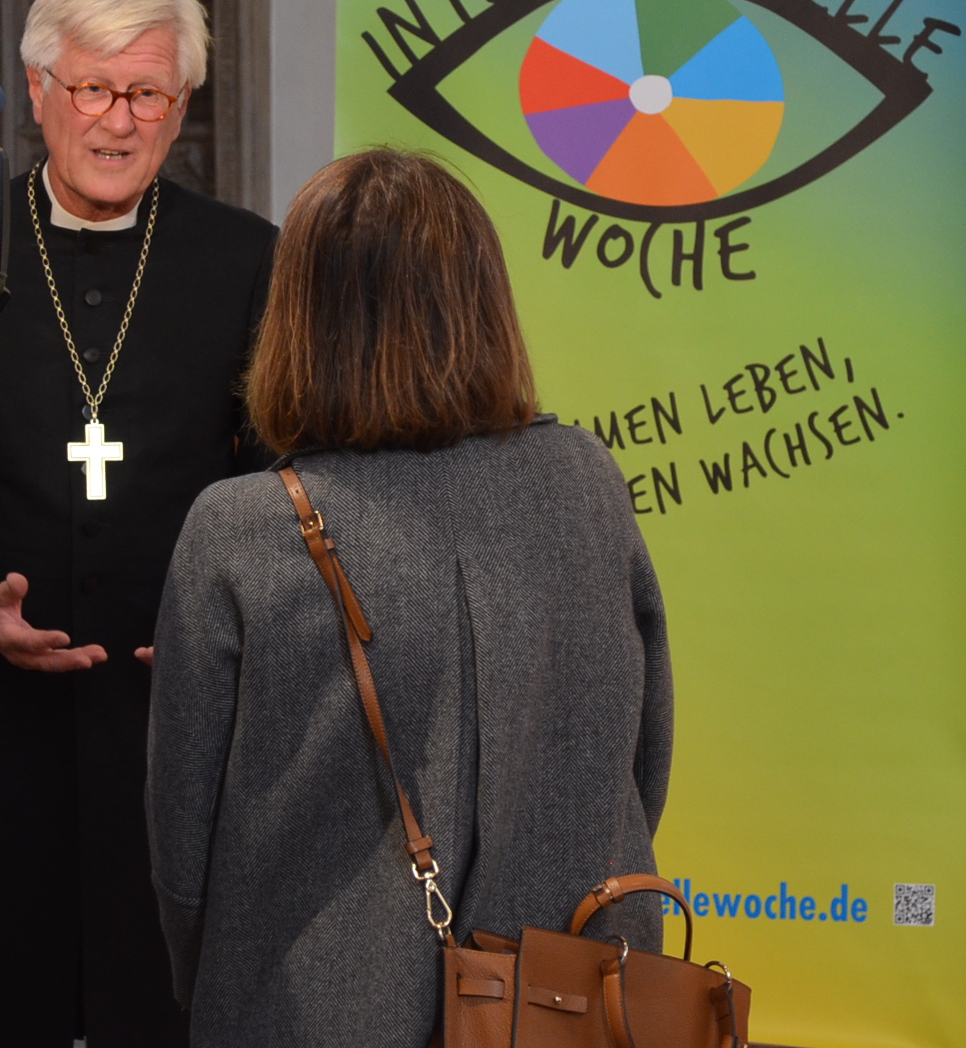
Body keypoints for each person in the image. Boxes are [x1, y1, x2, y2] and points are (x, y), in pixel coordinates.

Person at [145, 149, 675, 1046]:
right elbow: (641, 754)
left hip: (311, 1006)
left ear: (299, 316)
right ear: (483, 301)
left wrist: (230, 978)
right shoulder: (585, 480)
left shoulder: (238, 528)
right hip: (565, 997)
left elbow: (182, 840)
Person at [0, 0, 276, 1048]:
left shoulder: (245, 261)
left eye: (147, 93)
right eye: (92, 87)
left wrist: (226, 624)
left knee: (174, 1005)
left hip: (180, 726)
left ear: (179, 105)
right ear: (38, 88)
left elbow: (289, 488)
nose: (118, 121)